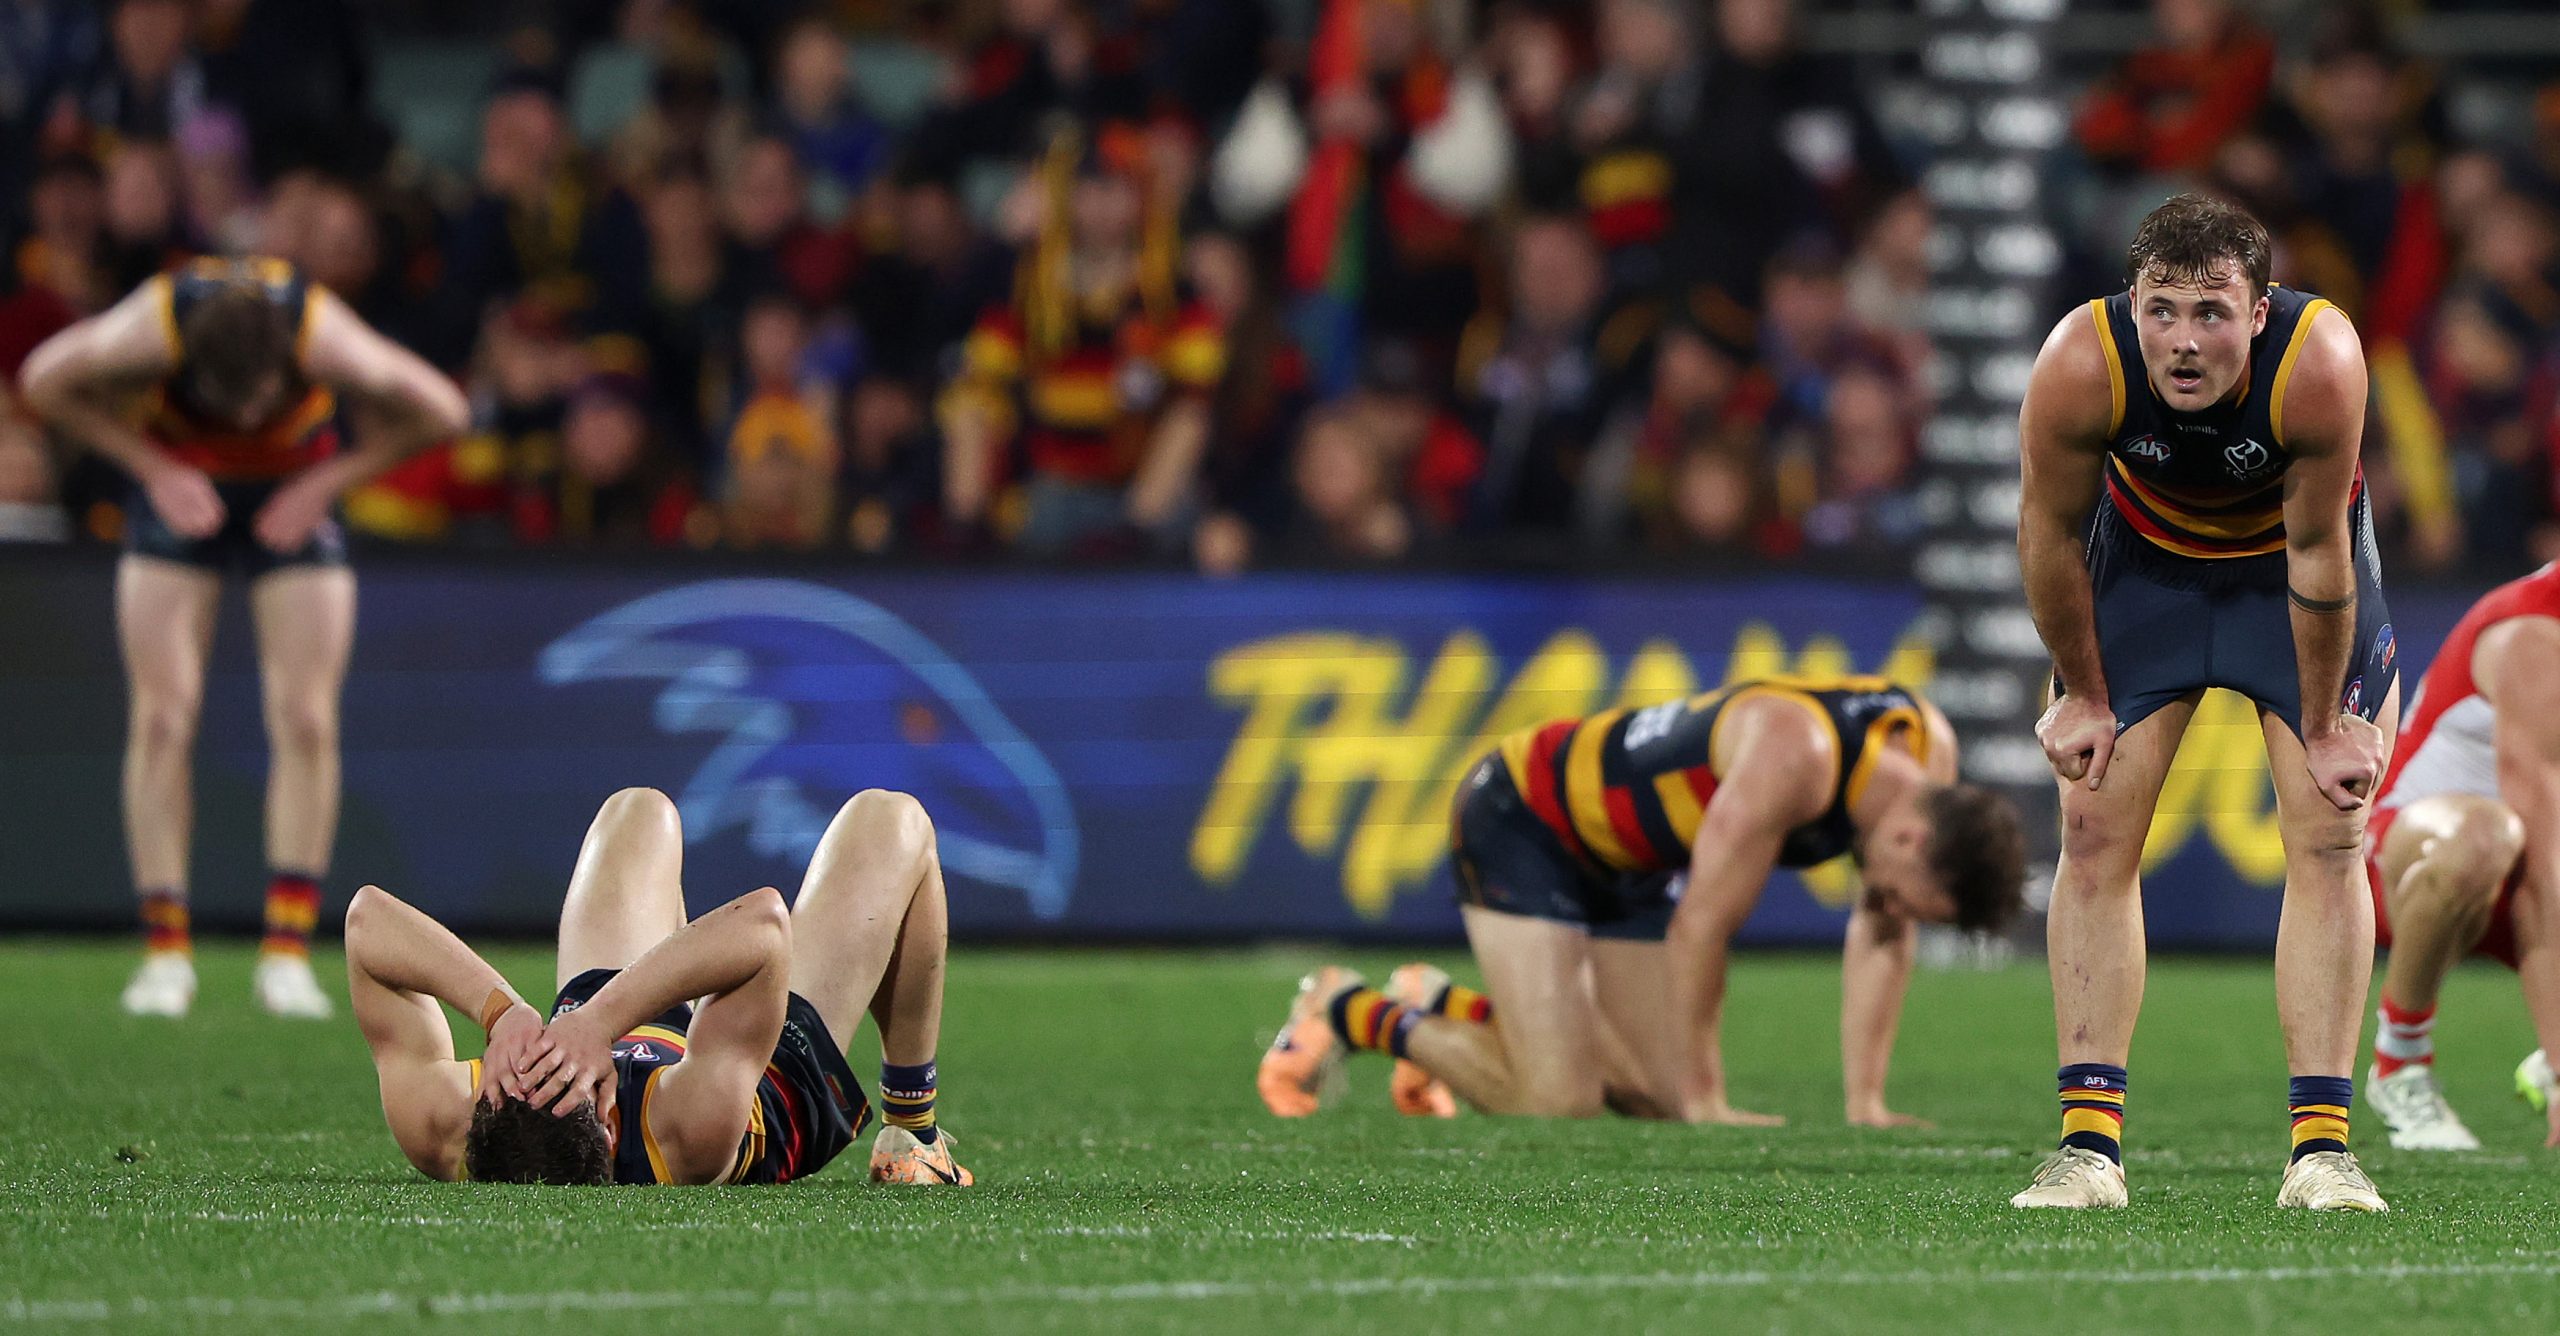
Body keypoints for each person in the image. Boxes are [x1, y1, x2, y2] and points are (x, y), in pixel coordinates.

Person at [2012, 193, 2395, 1211]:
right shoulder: (2075, 361)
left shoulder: (2320, 361)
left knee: (2328, 830)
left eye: (2212, 314)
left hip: (2290, 584)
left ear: (2259, 311)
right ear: (2129, 306)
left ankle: (2321, 1152)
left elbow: (2318, 553)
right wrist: (2083, 695)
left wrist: (2324, 726)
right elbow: (2048, 536)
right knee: (2090, 826)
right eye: (2162, 312)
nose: (2183, 344)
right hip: (2147, 579)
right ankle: (2087, 1151)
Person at [1257, 675, 2026, 1125]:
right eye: (1912, 902)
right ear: (1909, 843)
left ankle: (1444, 1003)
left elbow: (1881, 937)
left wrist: (1867, 1102)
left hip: (1632, 863)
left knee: (1646, 1096)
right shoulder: (1798, 758)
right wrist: (1708, 1096)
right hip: (1529, 818)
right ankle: (1348, 1008)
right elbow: (1702, 928)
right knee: (1559, 1099)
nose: (1896, 914)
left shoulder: (1931, 763)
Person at [17, 256, 467, 1020]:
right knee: (161, 717)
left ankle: (286, 955)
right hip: (179, 486)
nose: (250, 420)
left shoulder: (319, 332)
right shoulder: (150, 326)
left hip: (297, 488)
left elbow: (445, 410)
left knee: (306, 718)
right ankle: (165, 953)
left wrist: (328, 484)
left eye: (262, 402)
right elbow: (41, 381)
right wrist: (150, 468)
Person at [347, 787, 973, 1187]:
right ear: (611, 1125)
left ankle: (628, 1006)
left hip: (624, 1023)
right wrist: (593, 1026)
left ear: (486, 1100)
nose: (536, 1061)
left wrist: (503, 1013)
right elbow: (762, 928)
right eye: (557, 1071)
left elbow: (367, 920)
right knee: (894, 820)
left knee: (639, 810)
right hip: (753, 1070)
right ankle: (913, 1137)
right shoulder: (685, 1131)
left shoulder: (442, 1126)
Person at [2361, 563, 2560, 1150]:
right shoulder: (2532, 633)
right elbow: (2539, 862)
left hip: (2527, 863)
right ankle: (2401, 1061)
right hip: (2414, 858)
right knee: (2487, 835)